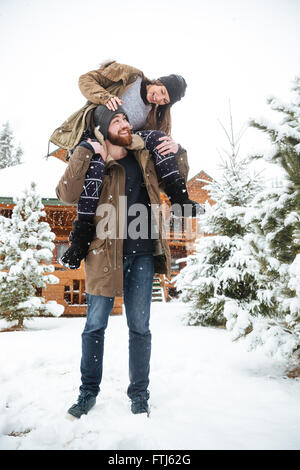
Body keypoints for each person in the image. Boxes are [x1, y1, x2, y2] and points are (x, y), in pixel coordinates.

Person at [55, 105, 190, 418]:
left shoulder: (145, 155)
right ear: (104, 129)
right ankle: (88, 393)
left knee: (140, 328)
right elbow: (65, 194)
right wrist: (85, 153)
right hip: (103, 255)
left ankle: (139, 394)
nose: (125, 123)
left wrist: (178, 150)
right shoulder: (96, 160)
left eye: (126, 118)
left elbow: (177, 178)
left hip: (143, 254)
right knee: (94, 326)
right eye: (117, 120)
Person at [56, 61, 204, 269]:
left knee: (160, 138)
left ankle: (179, 199)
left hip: (123, 143)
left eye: (165, 100)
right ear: (158, 81)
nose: (159, 99)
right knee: (95, 169)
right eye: (161, 91)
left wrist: (175, 149)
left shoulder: (154, 114)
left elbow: (152, 147)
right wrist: (106, 97)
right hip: (95, 133)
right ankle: (79, 243)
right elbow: (85, 80)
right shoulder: (130, 76)